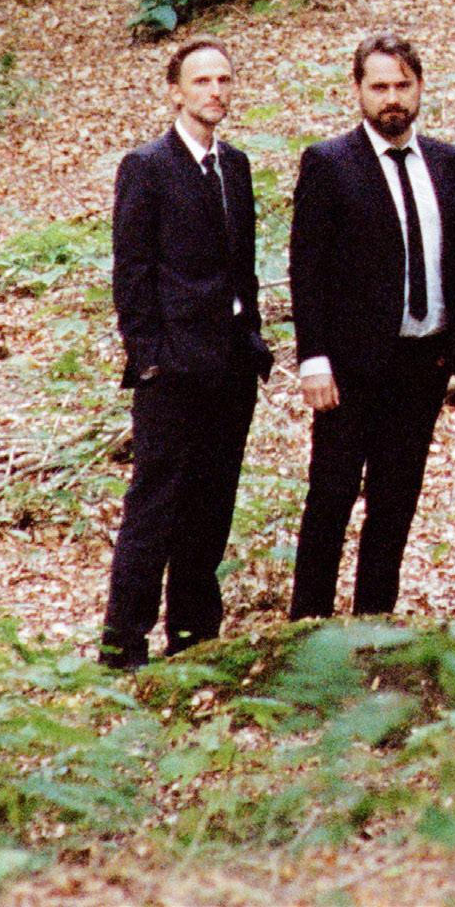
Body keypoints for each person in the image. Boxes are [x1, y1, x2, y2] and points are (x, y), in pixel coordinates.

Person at [287, 31, 455, 621]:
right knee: (332, 496)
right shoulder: (329, 163)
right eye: (380, 86)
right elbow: (307, 267)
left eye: (402, 85)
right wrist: (313, 358)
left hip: (422, 362)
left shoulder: (447, 162)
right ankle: (309, 626)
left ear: (420, 88)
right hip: (350, 367)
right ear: (359, 90)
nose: (392, 98)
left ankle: (375, 625)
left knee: (395, 501)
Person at [100, 39, 273, 668]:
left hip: (231, 365)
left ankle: (195, 636)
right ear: (175, 91)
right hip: (172, 368)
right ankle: (123, 644)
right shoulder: (147, 166)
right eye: (202, 81)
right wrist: (149, 357)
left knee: (212, 505)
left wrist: (252, 340)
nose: (215, 91)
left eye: (224, 79)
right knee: (156, 506)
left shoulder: (236, 166)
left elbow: (241, 268)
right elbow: (132, 271)